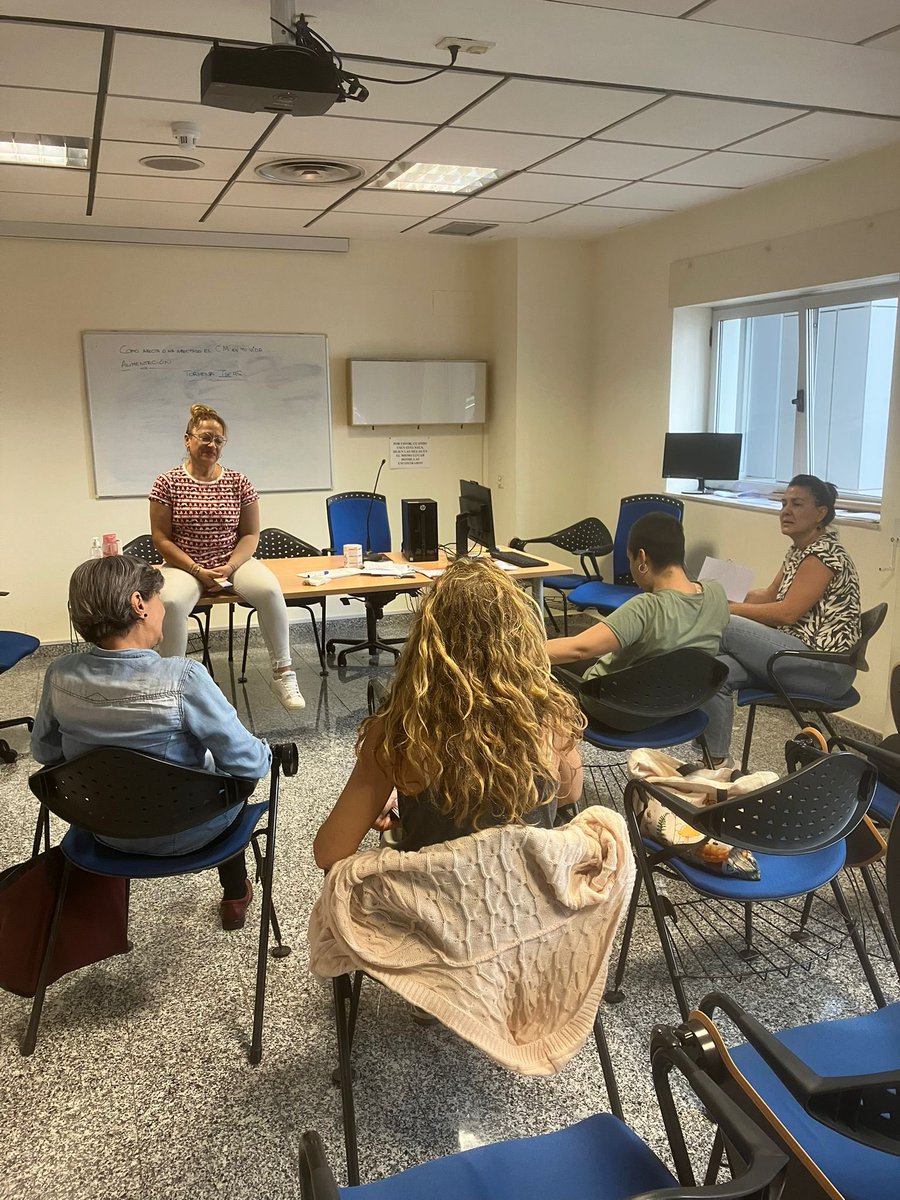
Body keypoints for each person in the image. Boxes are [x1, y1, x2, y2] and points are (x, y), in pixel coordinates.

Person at [31, 555, 272, 930]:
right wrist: (266, 750)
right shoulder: (184, 678)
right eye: (159, 597)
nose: (164, 608)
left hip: (103, 829)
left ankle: (105, 917)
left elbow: (45, 754)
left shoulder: (59, 673)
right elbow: (250, 763)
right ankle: (235, 892)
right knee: (229, 775)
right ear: (139, 604)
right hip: (194, 829)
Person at [313, 556, 585, 869]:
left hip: (436, 908)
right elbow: (568, 794)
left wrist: (394, 783)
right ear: (518, 635)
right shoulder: (548, 710)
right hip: (526, 903)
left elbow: (329, 853)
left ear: (427, 639)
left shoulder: (401, 729)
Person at [149, 403, 305, 711]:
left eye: (219, 440)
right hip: (185, 566)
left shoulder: (239, 482)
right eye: (206, 437)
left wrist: (231, 566)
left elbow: (250, 535)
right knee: (170, 603)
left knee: (271, 590)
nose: (212, 445)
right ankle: (171, 688)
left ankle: (283, 672)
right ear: (187, 439)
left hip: (232, 562)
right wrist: (196, 569)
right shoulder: (166, 482)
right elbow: (160, 538)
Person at [702, 475, 861, 765]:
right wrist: (720, 597)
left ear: (820, 513)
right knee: (715, 670)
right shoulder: (800, 550)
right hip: (796, 658)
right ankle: (717, 763)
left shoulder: (823, 554)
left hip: (825, 671)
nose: (785, 511)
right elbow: (769, 595)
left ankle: (668, 692)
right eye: (784, 503)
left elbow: (786, 612)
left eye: (797, 504)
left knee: (724, 624)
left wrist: (727, 611)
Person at [546, 512, 729, 680]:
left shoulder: (646, 607)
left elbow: (579, 649)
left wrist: (522, 652)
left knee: (546, 666)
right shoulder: (717, 593)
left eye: (629, 559)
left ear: (642, 558)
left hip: (615, 701)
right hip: (677, 700)